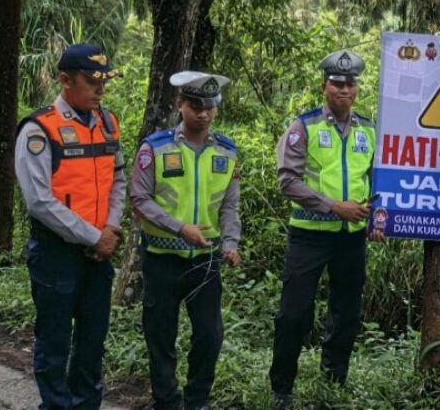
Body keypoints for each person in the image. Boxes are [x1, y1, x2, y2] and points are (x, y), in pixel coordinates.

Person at [14, 43, 125, 410]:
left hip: (98, 255)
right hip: (56, 254)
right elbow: (39, 201)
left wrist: (110, 229)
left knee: (93, 342)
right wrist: (94, 236)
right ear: (65, 80)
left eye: (104, 82)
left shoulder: (107, 123)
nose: (100, 90)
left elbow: (118, 179)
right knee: (54, 342)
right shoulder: (39, 129)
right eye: (92, 82)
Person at [268, 50, 378, 410]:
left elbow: (378, 180)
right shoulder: (304, 127)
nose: (344, 89)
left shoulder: (369, 130)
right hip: (310, 236)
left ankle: (333, 381)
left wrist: (378, 219)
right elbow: (288, 181)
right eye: (337, 83)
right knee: (294, 314)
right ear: (324, 86)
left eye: (350, 84)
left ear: (357, 88)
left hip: (351, 238)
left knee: (346, 313)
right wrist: (333, 206)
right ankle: (282, 388)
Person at [131, 71, 242, 410]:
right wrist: (179, 228)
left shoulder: (226, 152)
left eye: (210, 107)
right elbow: (139, 200)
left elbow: (229, 205)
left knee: (210, 334)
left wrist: (231, 244)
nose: (203, 114)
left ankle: (197, 400)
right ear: (180, 105)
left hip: (205, 260)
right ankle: (166, 401)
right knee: (160, 335)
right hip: (162, 258)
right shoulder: (155, 147)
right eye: (195, 106)